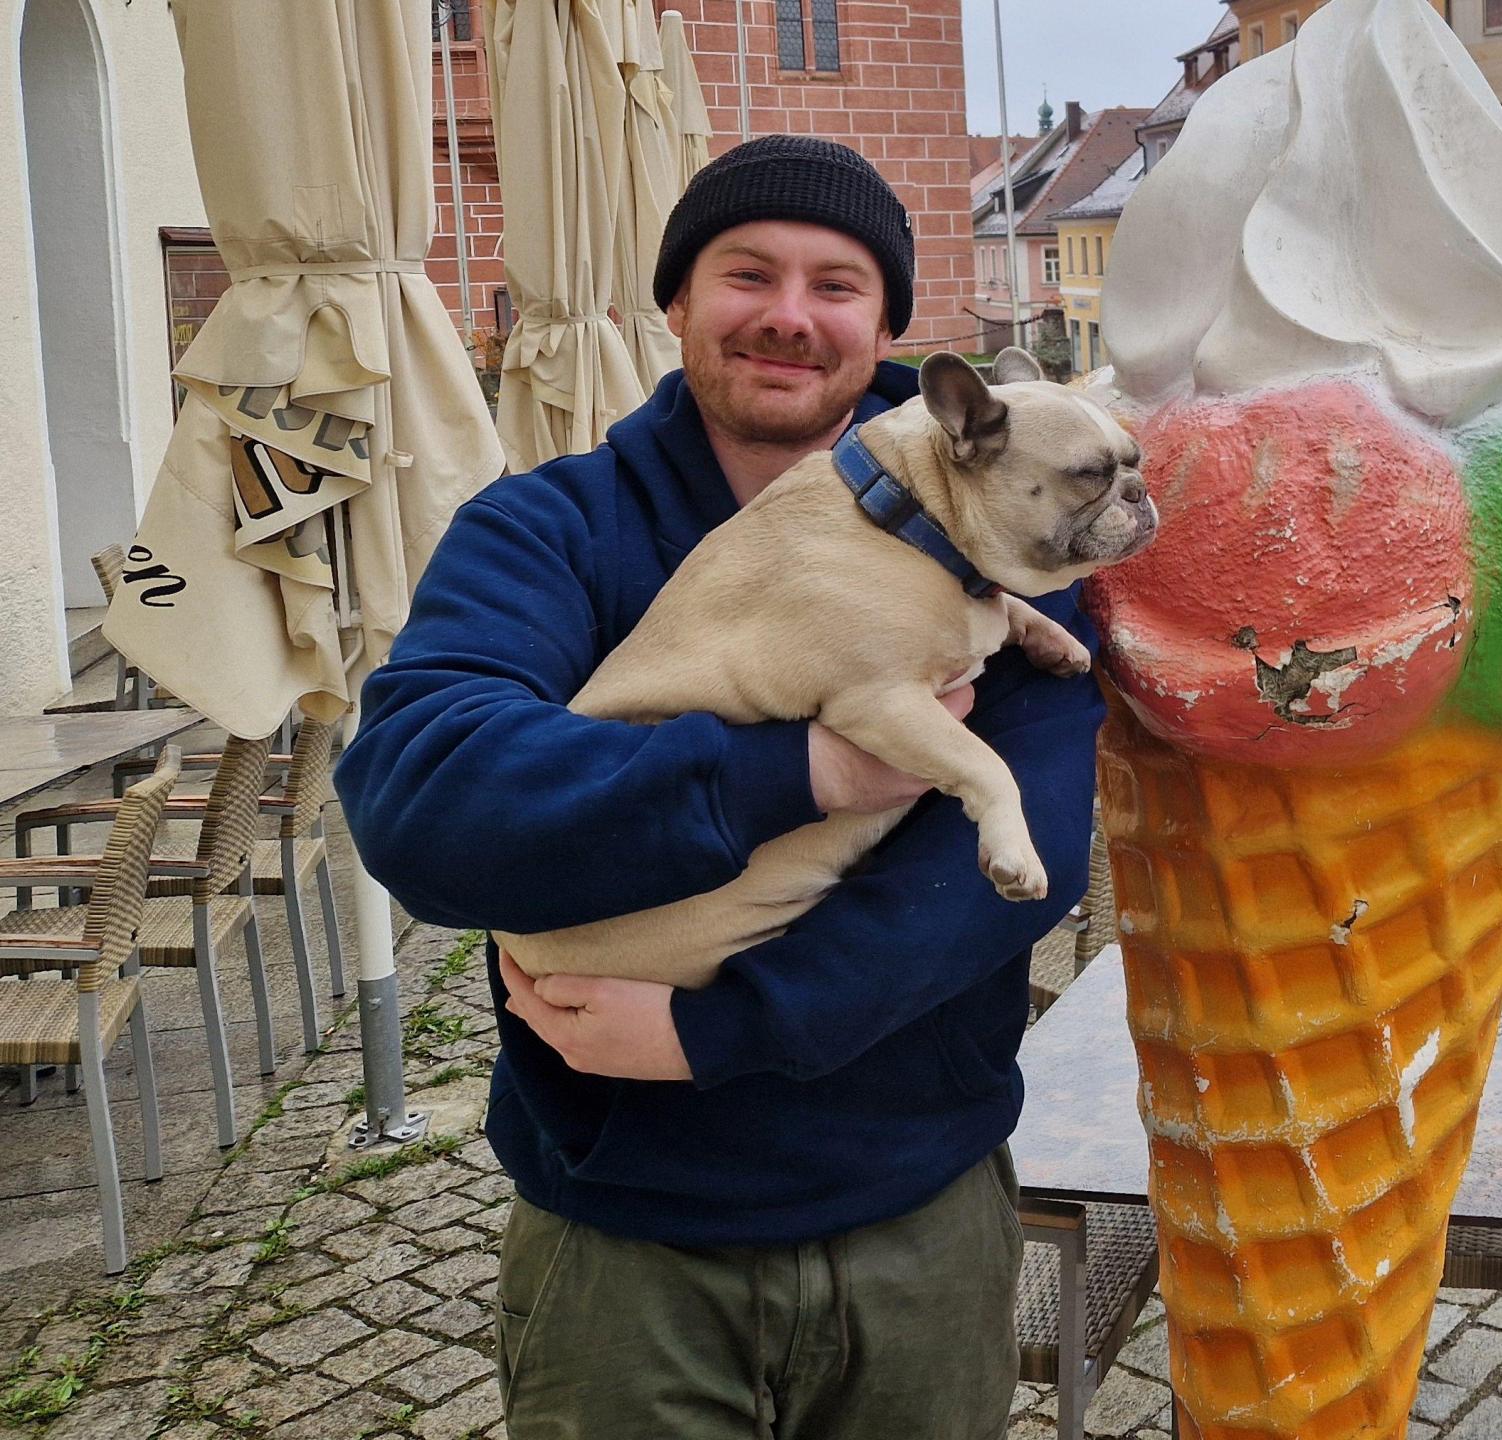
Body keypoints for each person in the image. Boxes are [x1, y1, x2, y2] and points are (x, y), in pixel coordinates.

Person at [334, 136, 1102, 1439]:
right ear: (677, 301)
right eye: (748, 273)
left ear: (888, 325)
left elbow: (1021, 869)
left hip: (922, 1217)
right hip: (630, 1252)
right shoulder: (549, 531)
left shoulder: (1017, 529)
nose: (791, 316)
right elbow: (426, 800)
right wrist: (802, 769)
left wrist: (720, 1027)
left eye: (839, 284)